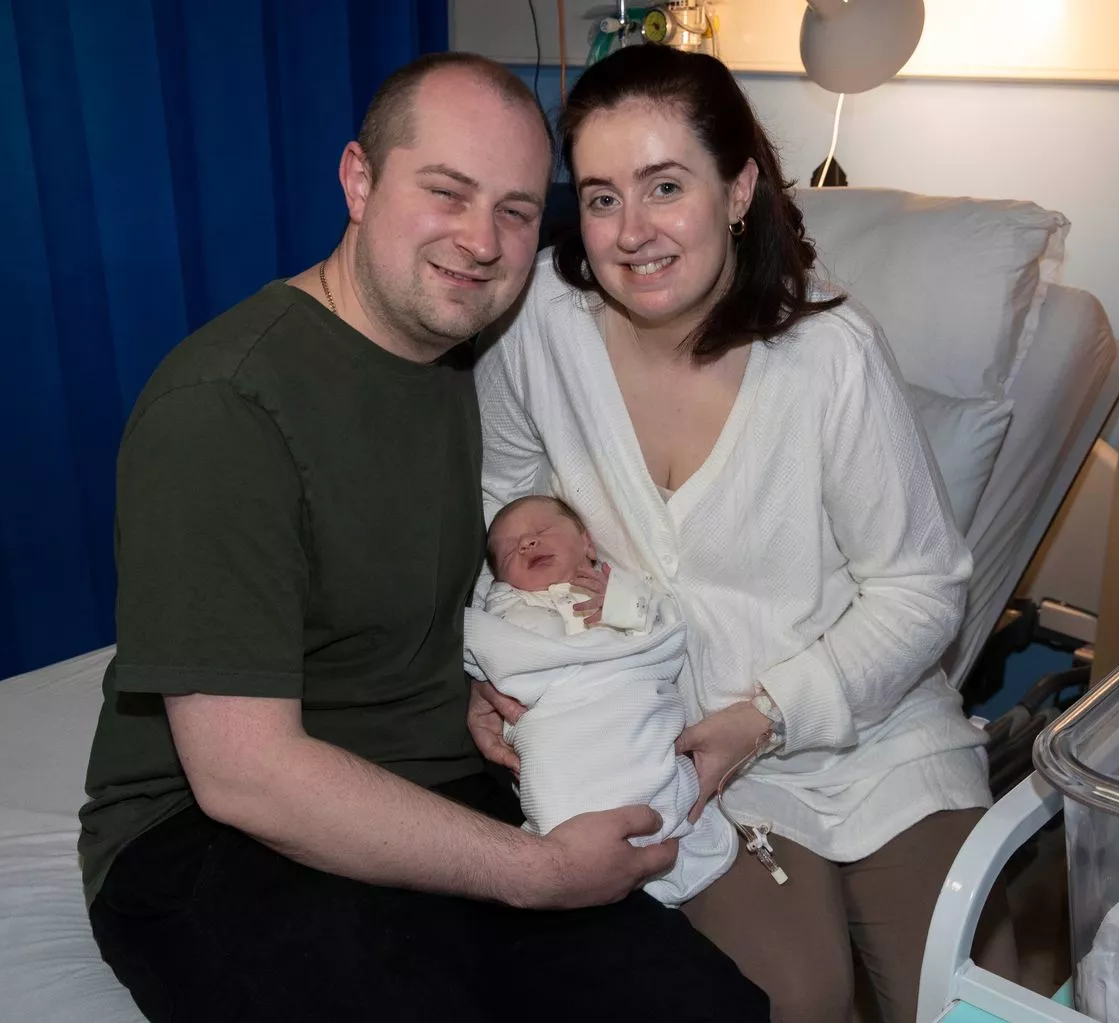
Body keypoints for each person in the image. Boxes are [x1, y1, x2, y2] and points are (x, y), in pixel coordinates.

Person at [77, 52, 773, 1023]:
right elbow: (244, 774)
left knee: (705, 1009)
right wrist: (534, 872)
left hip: (434, 780)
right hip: (204, 837)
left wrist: (478, 690)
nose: (481, 241)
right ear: (359, 180)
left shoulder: (469, 362)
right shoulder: (225, 408)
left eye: (517, 211)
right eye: (446, 193)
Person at [470, 44, 1020, 1023]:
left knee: (964, 988)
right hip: (678, 743)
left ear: (737, 188)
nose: (632, 233)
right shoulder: (540, 328)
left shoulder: (824, 359)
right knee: (798, 999)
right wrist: (505, 665)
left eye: (665, 186)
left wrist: (767, 713)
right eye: (601, 198)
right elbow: (504, 503)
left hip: (873, 726)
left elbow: (920, 589)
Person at [467, 494, 738, 905]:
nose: (526, 545)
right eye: (509, 551)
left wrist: (625, 602)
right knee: (556, 792)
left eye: (540, 533)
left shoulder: (620, 587)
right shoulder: (508, 605)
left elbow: (665, 633)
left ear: (587, 545)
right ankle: (567, 841)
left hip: (626, 703)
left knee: (656, 762)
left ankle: (661, 818)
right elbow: (487, 645)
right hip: (560, 722)